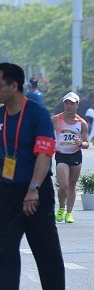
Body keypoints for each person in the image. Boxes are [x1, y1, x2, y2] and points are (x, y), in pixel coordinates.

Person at [0, 62, 70, 290]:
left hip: (36, 191)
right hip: (8, 192)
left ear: (14, 86)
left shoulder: (37, 114)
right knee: (5, 252)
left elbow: (45, 154)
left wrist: (33, 189)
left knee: (45, 252)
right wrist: (2, 183)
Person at [52, 92, 90, 224]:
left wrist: (80, 143)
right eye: (66, 103)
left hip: (75, 155)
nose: (69, 106)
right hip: (61, 155)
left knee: (72, 185)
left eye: (72, 103)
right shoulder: (56, 120)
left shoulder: (82, 123)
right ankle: (61, 208)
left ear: (77, 105)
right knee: (63, 185)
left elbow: (87, 143)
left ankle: (69, 213)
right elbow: (46, 134)